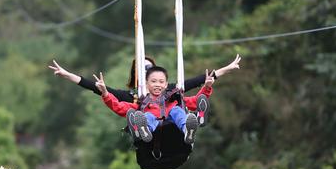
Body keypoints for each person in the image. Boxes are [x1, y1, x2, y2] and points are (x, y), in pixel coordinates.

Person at [48, 54, 240, 104]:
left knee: (181, 103)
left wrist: (227, 69)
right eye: (143, 68)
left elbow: (200, 79)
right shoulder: (131, 96)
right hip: (147, 127)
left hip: (168, 123)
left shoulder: (170, 90)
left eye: (149, 68)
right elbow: (95, 87)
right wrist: (68, 75)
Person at [93, 66, 214, 145]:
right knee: (147, 116)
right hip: (154, 128)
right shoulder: (142, 102)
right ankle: (142, 130)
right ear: (146, 84)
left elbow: (196, 101)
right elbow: (119, 107)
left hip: (173, 124)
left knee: (177, 110)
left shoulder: (173, 98)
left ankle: (188, 129)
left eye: (161, 82)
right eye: (153, 81)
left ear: (166, 84)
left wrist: (206, 87)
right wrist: (104, 92)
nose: (157, 85)